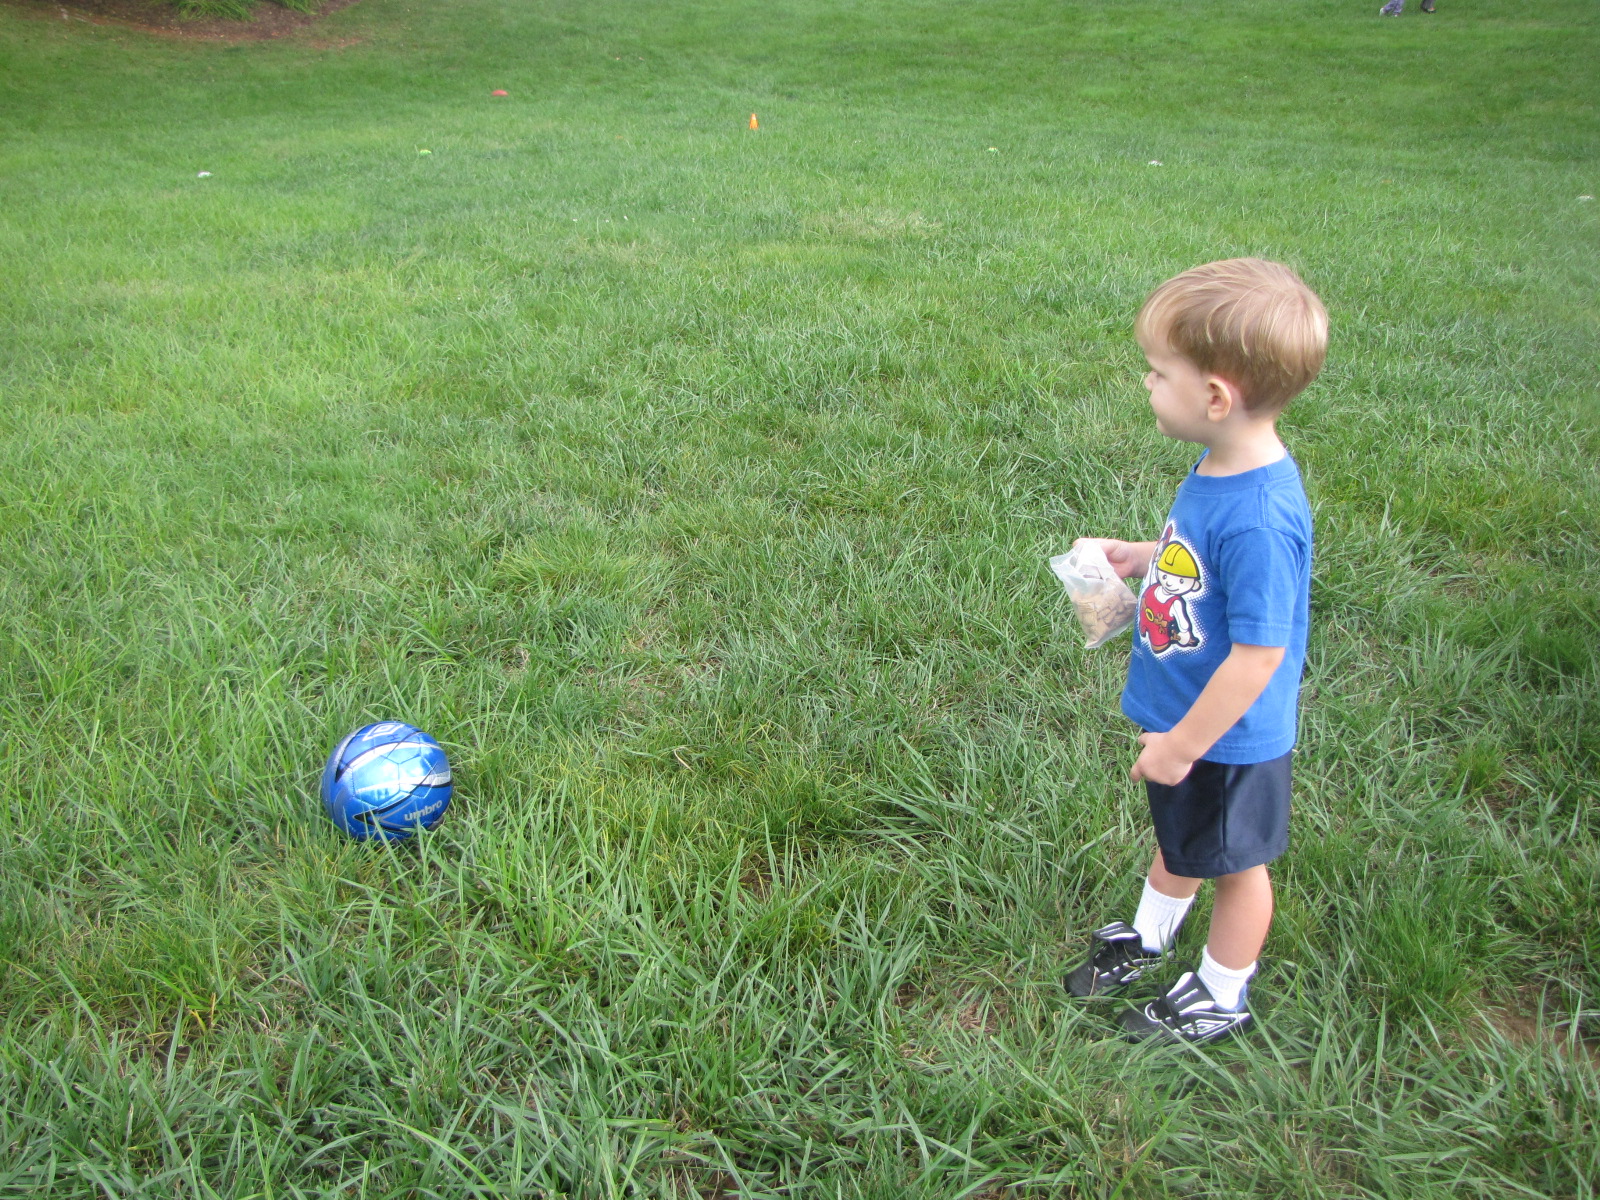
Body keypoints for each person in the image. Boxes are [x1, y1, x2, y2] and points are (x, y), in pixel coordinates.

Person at [1067, 258, 1328, 1043]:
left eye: (1157, 373)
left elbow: (1259, 657)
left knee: (1236, 866)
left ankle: (1221, 992)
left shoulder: (1261, 516)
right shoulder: (1222, 467)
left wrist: (1183, 745)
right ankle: (1150, 937)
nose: (1147, 384)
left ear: (1215, 397)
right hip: (1188, 721)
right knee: (1181, 837)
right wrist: (1144, 556)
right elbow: (1202, 562)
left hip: (1225, 738)